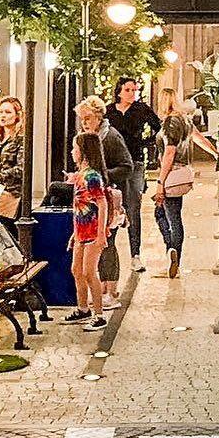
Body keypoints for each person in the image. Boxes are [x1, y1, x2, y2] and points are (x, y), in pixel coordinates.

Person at [72, 96, 133, 311]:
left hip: (107, 196)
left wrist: (100, 176)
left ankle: (110, 290)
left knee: (107, 243)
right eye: (82, 119)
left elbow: (127, 166)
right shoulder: (87, 138)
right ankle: (100, 290)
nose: (84, 123)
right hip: (92, 199)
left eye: (88, 118)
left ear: (99, 116)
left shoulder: (111, 137)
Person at [106, 77, 161, 273]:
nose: (132, 93)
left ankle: (135, 254)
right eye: (128, 90)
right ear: (119, 91)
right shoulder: (109, 111)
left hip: (135, 162)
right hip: (114, 164)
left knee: (133, 206)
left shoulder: (141, 109)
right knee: (110, 206)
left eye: (134, 90)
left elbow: (158, 127)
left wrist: (146, 142)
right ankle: (107, 251)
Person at [64, 132, 109, 332]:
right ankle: (83, 308)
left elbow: (102, 203)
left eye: (75, 148)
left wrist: (100, 233)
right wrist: (75, 234)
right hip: (81, 231)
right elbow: (79, 207)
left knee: (89, 272)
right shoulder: (80, 176)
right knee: (76, 270)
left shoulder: (91, 176)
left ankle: (99, 314)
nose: (73, 152)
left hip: (92, 232)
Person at [153, 94, 195, 278]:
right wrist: (216, 152)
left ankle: (173, 251)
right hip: (182, 173)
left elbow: (169, 152)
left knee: (168, 216)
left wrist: (160, 182)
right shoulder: (185, 120)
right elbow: (199, 138)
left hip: (171, 174)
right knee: (171, 214)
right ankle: (173, 254)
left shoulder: (171, 121)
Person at [0, 97, 25, 236]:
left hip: (12, 194)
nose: (3, 115)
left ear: (17, 115)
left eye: (7, 112)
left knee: (8, 233)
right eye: (0, 112)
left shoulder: (20, 139)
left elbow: (21, 168)